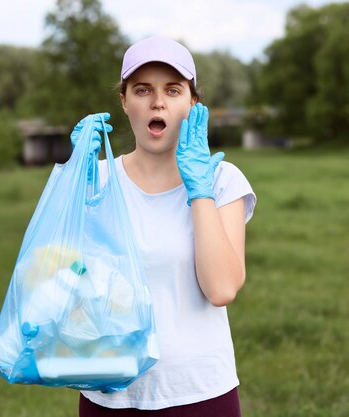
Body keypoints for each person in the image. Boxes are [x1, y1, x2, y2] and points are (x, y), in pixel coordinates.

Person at [75, 36, 256, 416]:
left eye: (173, 90)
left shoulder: (222, 180)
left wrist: (199, 192)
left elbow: (221, 288)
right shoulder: (95, 180)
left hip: (201, 393)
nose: (157, 101)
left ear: (192, 103)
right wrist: (70, 181)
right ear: (124, 102)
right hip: (109, 393)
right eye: (143, 90)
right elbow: (60, 277)